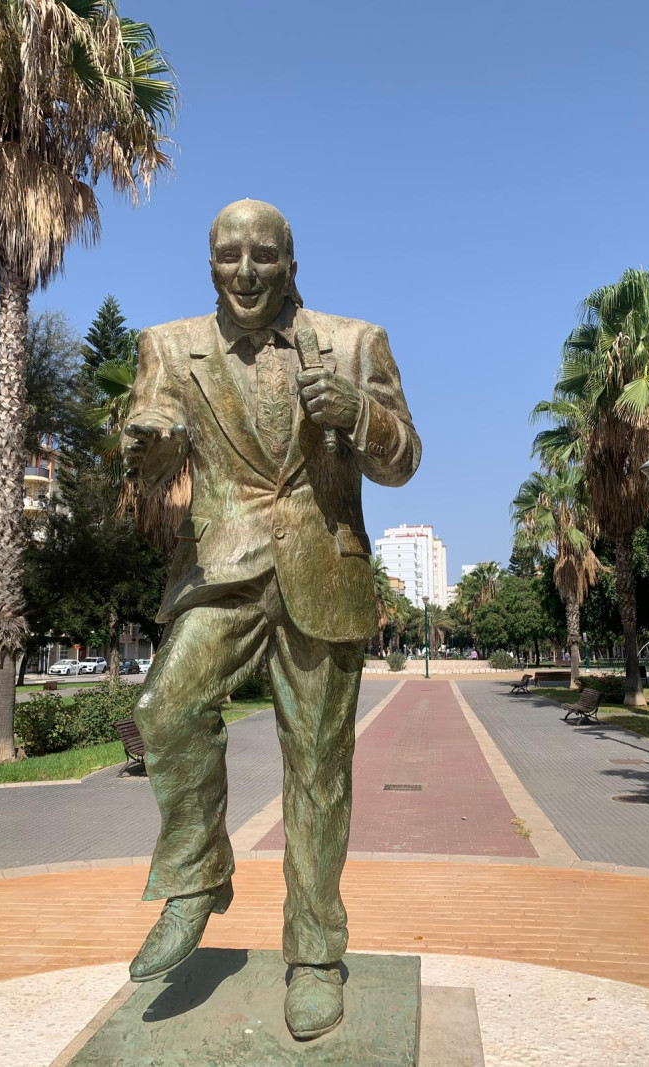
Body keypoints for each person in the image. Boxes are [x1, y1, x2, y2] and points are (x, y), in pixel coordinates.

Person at [123, 199, 420, 1040]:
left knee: (318, 768)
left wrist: (358, 416)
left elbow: (405, 458)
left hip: (323, 570)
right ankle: (195, 876)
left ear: (292, 263)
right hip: (222, 567)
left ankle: (317, 955)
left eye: (263, 255)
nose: (245, 271)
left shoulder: (355, 343)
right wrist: (148, 444)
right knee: (164, 709)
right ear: (209, 264)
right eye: (228, 256)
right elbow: (146, 454)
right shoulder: (167, 348)